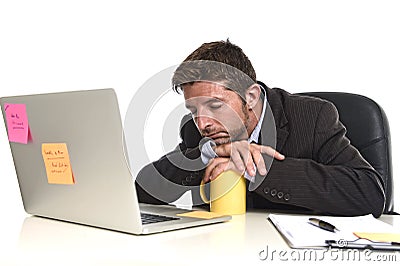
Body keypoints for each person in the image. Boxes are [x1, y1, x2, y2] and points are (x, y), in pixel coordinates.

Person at [135, 40, 385, 217]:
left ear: (251, 96)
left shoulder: (312, 117)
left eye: (215, 105)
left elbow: (370, 193)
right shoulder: (197, 131)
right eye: (193, 110)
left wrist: (258, 168)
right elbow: (142, 190)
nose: (203, 123)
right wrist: (204, 154)